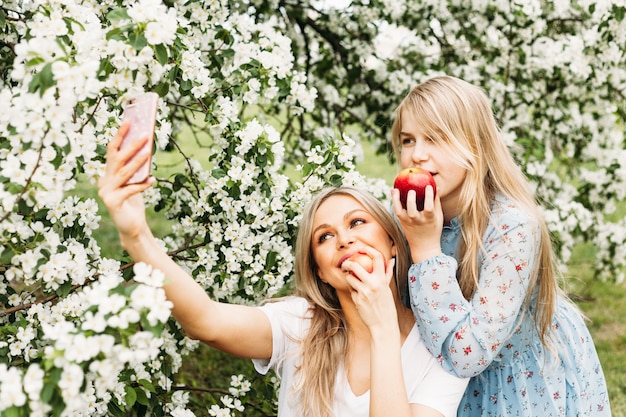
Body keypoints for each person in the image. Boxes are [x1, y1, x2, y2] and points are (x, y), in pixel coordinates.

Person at [98, 122, 469, 417]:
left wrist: (383, 329)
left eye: (357, 223)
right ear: (321, 272)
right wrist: (136, 235)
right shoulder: (303, 326)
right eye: (325, 237)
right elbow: (205, 321)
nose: (343, 240)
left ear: (391, 240)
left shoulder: (438, 349)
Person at [389, 75, 611, 416]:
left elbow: (468, 356)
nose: (417, 155)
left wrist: (425, 250)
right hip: (437, 380)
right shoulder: (408, 211)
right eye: (408, 139)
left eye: (436, 138)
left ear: (474, 146)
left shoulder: (512, 227)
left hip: (512, 384)